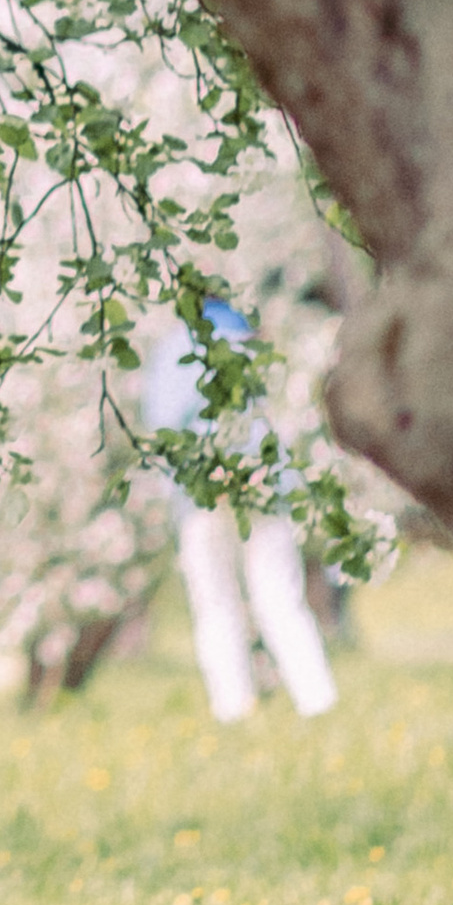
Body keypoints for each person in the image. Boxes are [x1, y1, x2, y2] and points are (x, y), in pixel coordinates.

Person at [139, 305, 337, 727]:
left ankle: (233, 707)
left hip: (200, 493)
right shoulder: (250, 344)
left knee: (215, 602)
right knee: (282, 597)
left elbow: (161, 428)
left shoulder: (172, 351)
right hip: (261, 479)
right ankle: (315, 700)